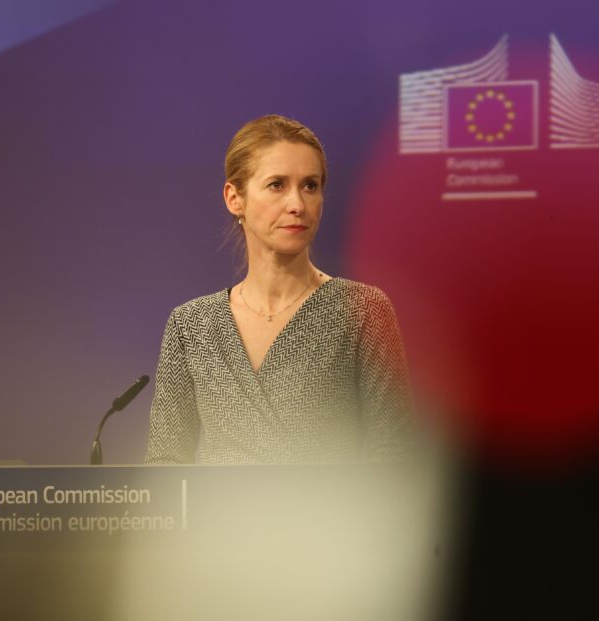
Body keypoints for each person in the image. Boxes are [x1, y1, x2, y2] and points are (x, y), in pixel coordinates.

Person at [144, 115, 413, 464]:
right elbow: (165, 466)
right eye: (276, 185)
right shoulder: (191, 325)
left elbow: (394, 457)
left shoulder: (361, 309)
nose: (297, 205)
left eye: (310, 186)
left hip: (326, 503)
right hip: (220, 504)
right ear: (234, 198)